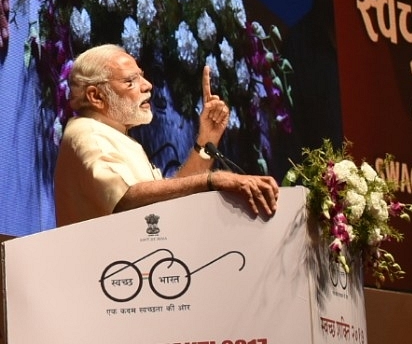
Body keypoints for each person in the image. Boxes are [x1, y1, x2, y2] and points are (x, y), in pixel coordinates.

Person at [54, 44, 279, 226]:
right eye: (130, 81)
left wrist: (206, 141)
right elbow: (125, 198)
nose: (148, 85)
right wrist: (213, 180)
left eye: (141, 77)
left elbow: (166, 202)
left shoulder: (115, 135)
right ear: (96, 96)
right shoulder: (86, 131)